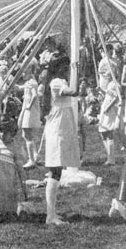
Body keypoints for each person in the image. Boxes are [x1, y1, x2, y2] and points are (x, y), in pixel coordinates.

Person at [43, 56, 80, 225]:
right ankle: (50, 215)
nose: (67, 70)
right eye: (66, 67)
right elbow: (73, 91)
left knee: (56, 171)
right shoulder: (56, 82)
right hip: (57, 129)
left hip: (62, 128)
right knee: (55, 170)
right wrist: (77, 71)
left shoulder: (61, 81)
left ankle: (52, 213)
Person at [16, 66, 41, 169]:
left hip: (29, 111)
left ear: (29, 71)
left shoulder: (32, 82)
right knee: (25, 134)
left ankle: (31, 160)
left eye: (24, 72)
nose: (22, 75)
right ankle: (35, 155)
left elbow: (35, 95)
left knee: (27, 133)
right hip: (27, 110)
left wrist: (29, 106)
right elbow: (19, 88)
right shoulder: (28, 82)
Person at [98, 80, 122, 165]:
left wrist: (108, 107)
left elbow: (116, 97)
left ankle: (111, 159)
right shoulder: (110, 83)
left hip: (110, 110)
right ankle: (109, 157)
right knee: (103, 132)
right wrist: (101, 91)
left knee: (108, 132)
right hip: (105, 107)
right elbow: (109, 94)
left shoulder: (116, 84)